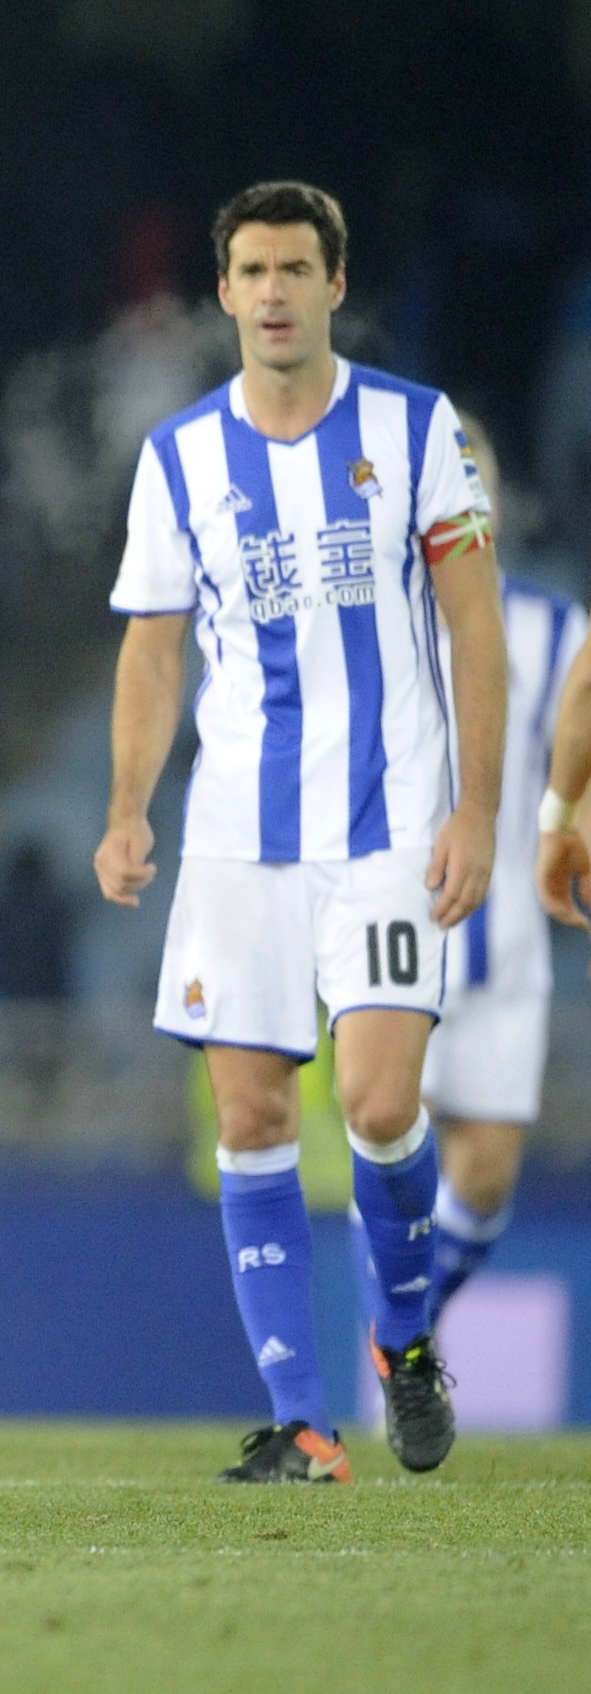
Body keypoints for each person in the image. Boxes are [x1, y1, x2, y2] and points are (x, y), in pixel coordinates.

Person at [96, 180, 505, 1484]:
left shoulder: (414, 426)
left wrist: (480, 811)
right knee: (251, 1111)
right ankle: (302, 1422)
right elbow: (151, 654)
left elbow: (473, 626)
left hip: (388, 823)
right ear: (219, 292)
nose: (271, 291)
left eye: (294, 268)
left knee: (381, 1105)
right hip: (233, 834)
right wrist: (123, 808)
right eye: (250, 270)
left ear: (335, 282)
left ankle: (402, 1337)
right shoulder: (178, 458)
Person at [390, 422, 582, 1321]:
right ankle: (400, 1340)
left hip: (502, 941)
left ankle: (409, 1331)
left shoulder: (551, 630)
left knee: (490, 1170)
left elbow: (577, 761)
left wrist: (567, 822)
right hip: (394, 931)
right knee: (393, 1149)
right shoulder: (380, 623)